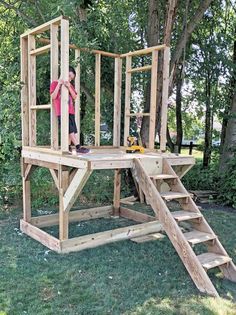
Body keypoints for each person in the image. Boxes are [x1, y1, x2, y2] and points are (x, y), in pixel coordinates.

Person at [50, 66, 89, 154]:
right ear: (64, 73)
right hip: (61, 112)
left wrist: (69, 87)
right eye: (69, 76)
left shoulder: (69, 85)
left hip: (70, 111)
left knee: (72, 130)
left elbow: (75, 96)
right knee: (69, 129)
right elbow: (53, 96)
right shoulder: (55, 83)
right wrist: (59, 84)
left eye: (71, 78)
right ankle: (78, 146)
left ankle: (68, 147)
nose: (70, 79)